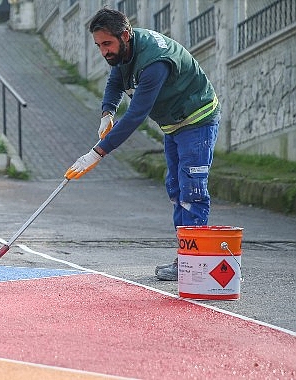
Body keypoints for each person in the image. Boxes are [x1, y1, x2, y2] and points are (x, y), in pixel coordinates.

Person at [65, 8, 220, 281]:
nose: (103, 52)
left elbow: (136, 114)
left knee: (192, 191)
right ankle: (185, 258)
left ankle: (194, 263)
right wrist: (107, 113)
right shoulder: (124, 52)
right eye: (99, 45)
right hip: (173, 124)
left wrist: (97, 153)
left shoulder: (154, 62)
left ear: (125, 35)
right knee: (175, 188)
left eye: (107, 44)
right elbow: (115, 81)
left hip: (197, 120)